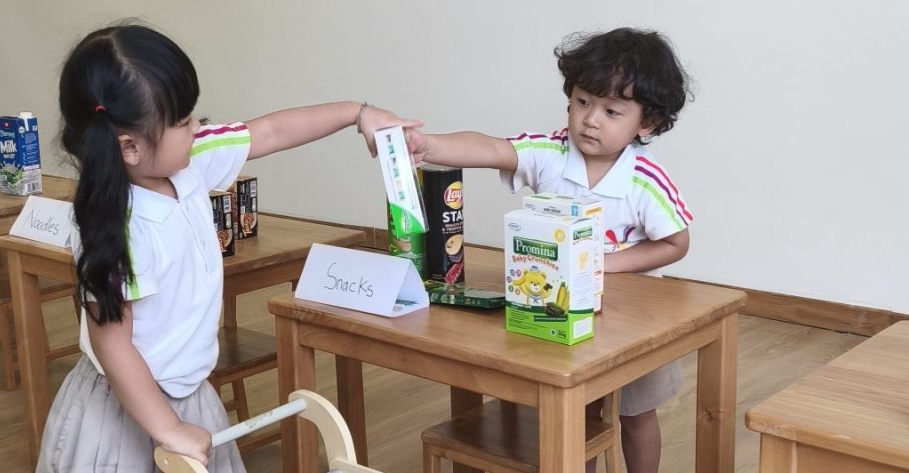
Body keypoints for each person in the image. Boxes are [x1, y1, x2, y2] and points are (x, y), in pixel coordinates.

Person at [37, 22, 419, 473]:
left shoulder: (189, 160)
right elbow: (113, 348)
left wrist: (358, 114)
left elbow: (271, 130)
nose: (196, 127)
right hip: (124, 411)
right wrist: (168, 427)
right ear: (130, 147)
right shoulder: (115, 224)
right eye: (182, 122)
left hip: (187, 396)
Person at [406, 27, 692, 473]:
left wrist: (604, 265)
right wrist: (430, 146)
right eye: (582, 102)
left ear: (647, 123)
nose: (590, 120)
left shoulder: (644, 179)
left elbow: (676, 243)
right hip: (557, 310)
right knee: (576, 415)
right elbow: (491, 148)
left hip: (632, 319)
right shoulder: (550, 153)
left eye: (611, 111)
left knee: (636, 415)